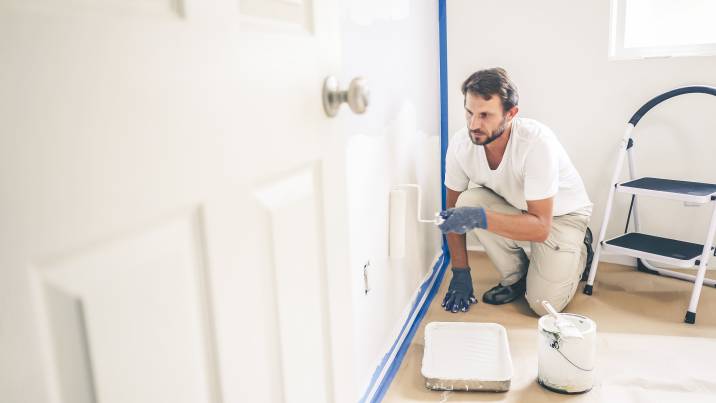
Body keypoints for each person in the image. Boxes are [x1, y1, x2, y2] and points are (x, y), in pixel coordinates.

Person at [438, 67, 593, 316]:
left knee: (543, 306)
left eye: (485, 115)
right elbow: (451, 214)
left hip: (562, 217)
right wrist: (460, 272)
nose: (474, 124)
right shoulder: (460, 145)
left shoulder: (536, 143)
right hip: (518, 208)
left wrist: (478, 218)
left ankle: (580, 251)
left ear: (511, 114)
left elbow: (541, 228)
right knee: (467, 202)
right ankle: (517, 277)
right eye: (469, 112)